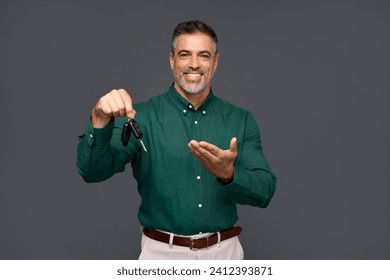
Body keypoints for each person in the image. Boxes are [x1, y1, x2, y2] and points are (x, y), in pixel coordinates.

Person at [77, 20, 276, 260]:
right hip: (161, 256)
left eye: (203, 55)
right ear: (172, 60)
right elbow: (92, 172)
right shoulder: (139, 117)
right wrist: (98, 120)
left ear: (215, 62)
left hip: (225, 256)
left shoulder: (240, 119)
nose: (194, 64)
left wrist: (228, 174)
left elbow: (264, 191)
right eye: (184, 54)